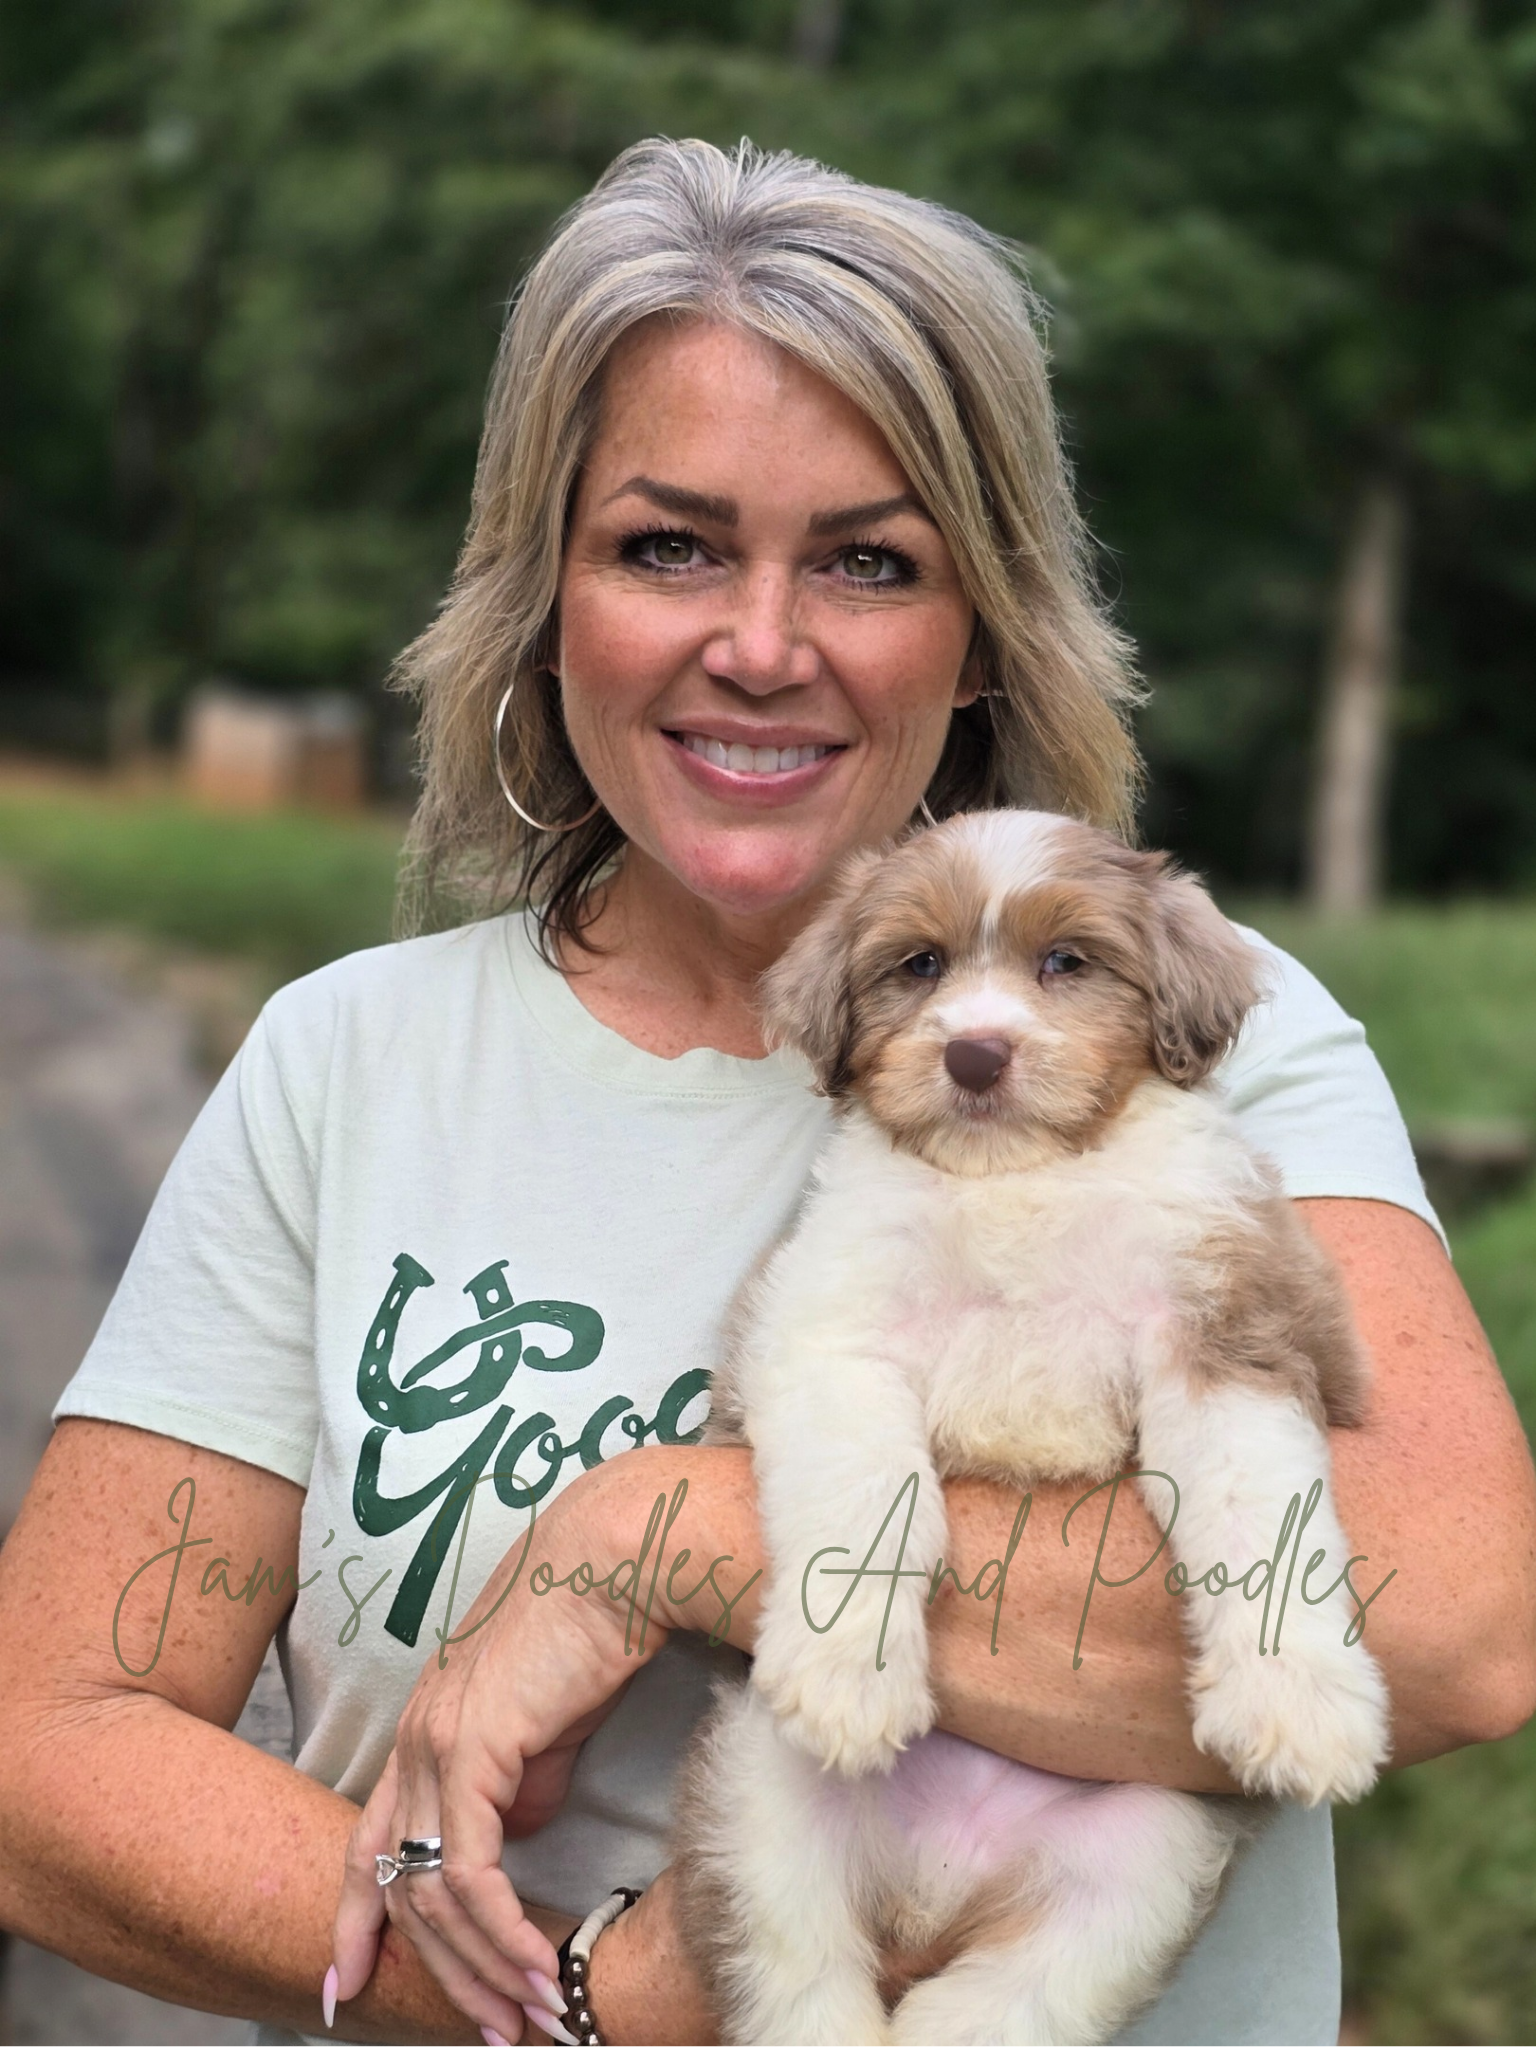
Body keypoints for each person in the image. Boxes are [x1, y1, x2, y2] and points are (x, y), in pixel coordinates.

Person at [1, 137, 1532, 2048]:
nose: (760, 645)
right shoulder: (352, 1060)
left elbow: (1460, 1622)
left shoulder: (1190, 1039)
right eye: (669, 545)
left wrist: (670, 1532)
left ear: (982, 622)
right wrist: (594, 1999)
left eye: (870, 561)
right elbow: (53, 1757)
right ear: (543, 589)